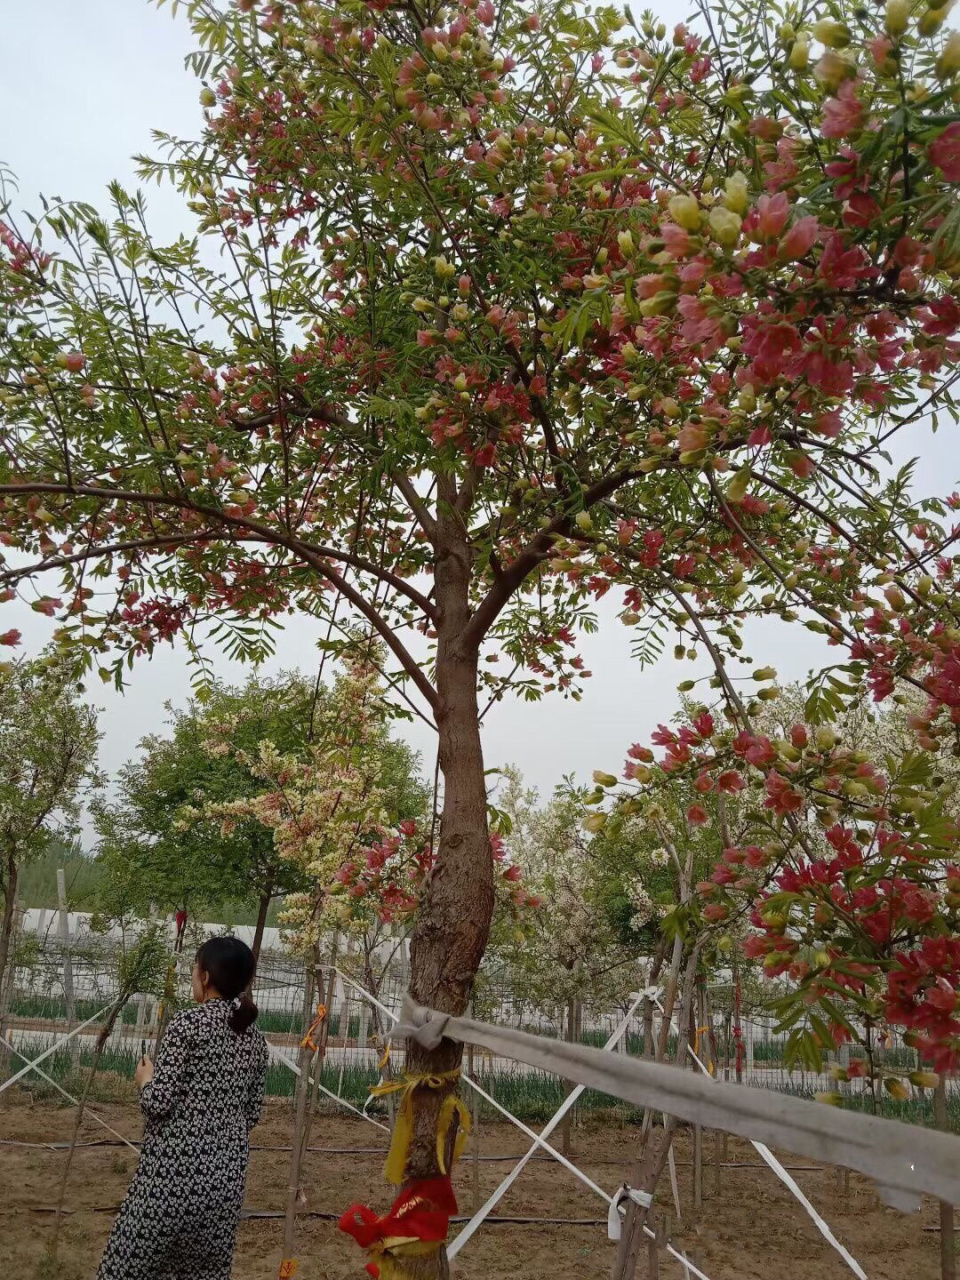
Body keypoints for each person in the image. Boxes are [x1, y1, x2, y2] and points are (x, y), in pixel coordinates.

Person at [96, 936, 269, 1280]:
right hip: (225, 1185)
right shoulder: (255, 1038)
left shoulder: (187, 1024)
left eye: (194, 970)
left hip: (171, 1180)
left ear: (205, 977)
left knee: (125, 1269)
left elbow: (157, 1104)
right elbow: (251, 1114)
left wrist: (146, 1078)